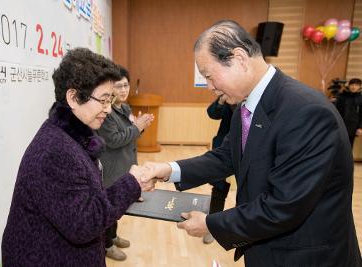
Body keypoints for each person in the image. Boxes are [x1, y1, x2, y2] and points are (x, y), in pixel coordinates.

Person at [142, 20, 362, 266]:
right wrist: (169, 170)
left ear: (239, 59)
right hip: (267, 247)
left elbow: (284, 206)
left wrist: (211, 224)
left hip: (306, 256)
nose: (210, 87)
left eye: (209, 76)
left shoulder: (306, 112)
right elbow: (226, 157)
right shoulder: (246, 107)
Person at [1, 48, 155, 267]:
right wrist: (133, 183)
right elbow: (84, 224)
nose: (108, 109)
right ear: (73, 97)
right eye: (103, 100)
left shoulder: (70, 135)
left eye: (110, 100)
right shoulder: (55, 152)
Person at [96, 65, 154, 261]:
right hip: (112, 169)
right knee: (109, 208)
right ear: (110, 88)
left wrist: (141, 125)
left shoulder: (125, 108)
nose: (123, 90)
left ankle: (112, 236)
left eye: (126, 85)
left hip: (125, 165)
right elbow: (114, 140)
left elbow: (130, 134)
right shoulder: (107, 112)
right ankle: (106, 246)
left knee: (118, 207)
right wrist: (137, 127)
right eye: (118, 86)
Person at [202, 94, 234, 244]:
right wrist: (221, 100)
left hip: (248, 150)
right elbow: (212, 113)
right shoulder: (229, 93)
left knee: (247, 191)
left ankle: (240, 228)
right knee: (219, 188)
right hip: (224, 148)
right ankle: (212, 227)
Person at [334, 78, 362, 148]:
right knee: (337, 144)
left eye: (356, 85)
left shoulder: (361, 98)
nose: (354, 87)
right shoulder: (342, 97)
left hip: (353, 126)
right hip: (340, 124)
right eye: (352, 84)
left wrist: (360, 128)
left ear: (360, 87)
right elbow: (336, 111)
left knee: (349, 146)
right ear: (348, 85)